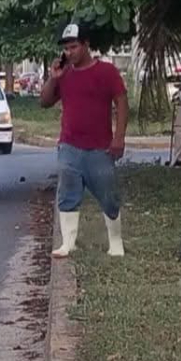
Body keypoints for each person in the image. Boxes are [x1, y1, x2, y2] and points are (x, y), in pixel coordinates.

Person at [40, 22, 129, 258]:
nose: (70, 52)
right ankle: (68, 243)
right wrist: (53, 78)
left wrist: (119, 137)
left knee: (108, 195)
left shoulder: (106, 72)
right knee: (67, 194)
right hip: (69, 145)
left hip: (100, 148)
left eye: (74, 47)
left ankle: (115, 241)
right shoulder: (64, 74)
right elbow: (45, 101)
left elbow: (121, 101)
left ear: (86, 45)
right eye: (67, 48)